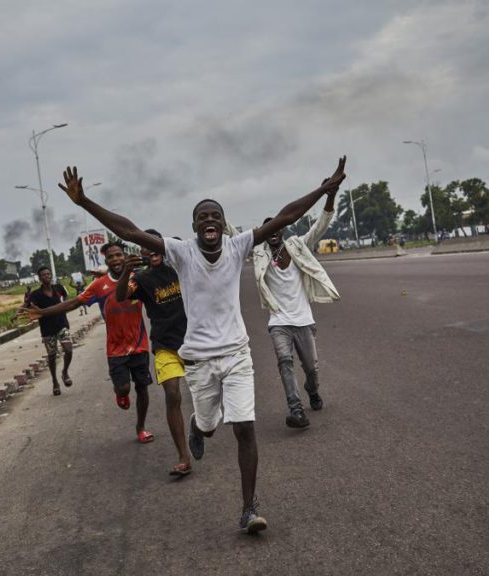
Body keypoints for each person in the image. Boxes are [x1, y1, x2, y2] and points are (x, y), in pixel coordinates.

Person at [57, 157, 347, 534]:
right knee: (210, 426)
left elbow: (286, 216)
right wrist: (85, 203)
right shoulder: (180, 252)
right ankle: (200, 426)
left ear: (222, 224)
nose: (209, 220)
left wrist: (325, 190)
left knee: (244, 429)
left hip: (237, 355)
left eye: (215, 216)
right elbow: (129, 231)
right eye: (202, 217)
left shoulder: (238, 244)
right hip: (199, 361)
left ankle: (248, 509)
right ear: (194, 226)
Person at [24, 243, 154, 444]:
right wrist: (42, 312)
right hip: (116, 349)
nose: (116, 259)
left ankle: (141, 427)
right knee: (124, 388)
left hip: (139, 344)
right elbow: (72, 303)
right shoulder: (98, 285)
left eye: (119, 255)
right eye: (111, 257)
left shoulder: (137, 279)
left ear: (125, 256)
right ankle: (119, 392)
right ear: (106, 261)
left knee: (142, 388)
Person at [253, 192, 341, 429]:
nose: (272, 231)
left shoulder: (297, 246)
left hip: (303, 320)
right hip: (279, 322)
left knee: (311, 369)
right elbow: (231, 235)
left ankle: (312, 390)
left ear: (282, 229)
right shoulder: (259, 254)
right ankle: (296, 410)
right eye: (267, 228)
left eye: (277, 226)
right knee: (284, 362)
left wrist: (330, 196)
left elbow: (321, 226)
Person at [115, 229, 192, 476]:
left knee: (206, 403)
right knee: (172, 395)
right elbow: (120, 296)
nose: (151, 252)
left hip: (194, 342)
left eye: (155, 246)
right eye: (144, 248)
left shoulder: (180, 269)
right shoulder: (142, 278)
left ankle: (201, 428)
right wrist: (127, 269)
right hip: (164, 346)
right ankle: (183, 457)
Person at [23, 267, 73, 397]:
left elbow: (66, 301)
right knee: (52, 356)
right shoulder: (36, 294)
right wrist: (16, 314)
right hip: (47, 329)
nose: (47, 276)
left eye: (48, 274)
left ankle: (65, 372)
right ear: (39, 278)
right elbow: (27, 306)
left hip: (62, 324)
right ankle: (55, 382)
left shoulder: (59, 289)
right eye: (44, 275)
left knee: (68, 350)